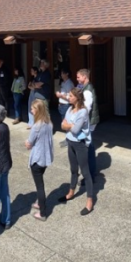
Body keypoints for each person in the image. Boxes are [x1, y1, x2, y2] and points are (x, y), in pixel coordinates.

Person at [59, 88, 94, 216]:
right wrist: (69, 125)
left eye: (71, 96)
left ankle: (90, 200)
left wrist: (69, 125)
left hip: (80, 144)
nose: (69, 97)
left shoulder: (83, 112)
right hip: (70, 142)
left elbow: (75, 130)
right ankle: (71, 191)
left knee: (85, 172)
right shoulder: (69, 109)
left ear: (77, 98)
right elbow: (62, 125)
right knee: (73, 169)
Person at [25, 99, 54, 221]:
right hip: (46, 157)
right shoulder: (48, 123)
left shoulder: (36, 126)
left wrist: (26, 142)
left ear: (38, 110)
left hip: (37, 159)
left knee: (39, 186)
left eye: (32, 109)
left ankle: (43, 213)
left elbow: (29, 144)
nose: (31, 110)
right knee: (40, 183)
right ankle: (40, 203)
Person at [70, 69, 100, 180]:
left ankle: (90, 175)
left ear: (84, 77)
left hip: (88, 123)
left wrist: (78, 121)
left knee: (88, 149)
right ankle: (90, 173)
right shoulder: (86, 88)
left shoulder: (87, 91)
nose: (77, 79)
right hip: (89, 122)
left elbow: (86, 109)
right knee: (88, 148)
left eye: (78, 77)